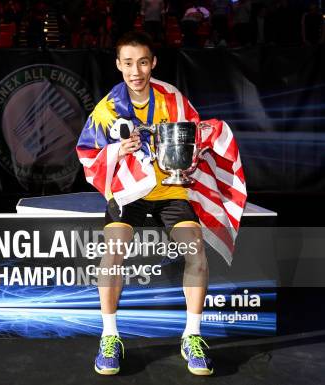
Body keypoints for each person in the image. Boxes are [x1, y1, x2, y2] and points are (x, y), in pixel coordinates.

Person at [76, 31, 229, 377]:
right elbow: (86, 155)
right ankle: (110, 336)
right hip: (128, 191)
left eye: (142, 62)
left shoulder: (172, 98)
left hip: (170, 191)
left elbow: (196, 134)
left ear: (153, 63)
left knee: (197, 252)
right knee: (113, 251)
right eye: (128, 63)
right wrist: (117, 151)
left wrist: (193, 155)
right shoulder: (107, 110)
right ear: (118, 65)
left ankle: (192, 335)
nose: (136, 70)